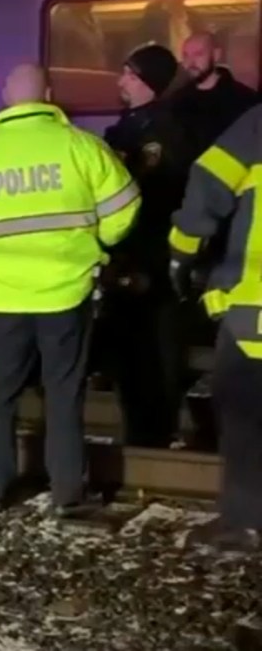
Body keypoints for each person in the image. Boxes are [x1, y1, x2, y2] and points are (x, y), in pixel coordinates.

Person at [0, 64, 140, 516]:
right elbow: (125, 209)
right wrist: (97, 242)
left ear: (8, 99)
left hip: (3, 296)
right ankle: (68, 493)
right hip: (67, 291)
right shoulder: (83, 148)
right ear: (48, 94)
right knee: (64, 392)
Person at [169, 104, 262, 553]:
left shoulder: (256, 125)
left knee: (246, 414)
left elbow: (208, 185)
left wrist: (181, 253)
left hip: (256, 303)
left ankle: (247, 522)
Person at [100, 44, 194, 448]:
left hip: (152, 251)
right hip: (128, 249)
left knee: (156, 343)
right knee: (130, 344)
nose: (121, 81)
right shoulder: (128, 126)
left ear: (146, 82)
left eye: (128, 74)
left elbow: (157, 191)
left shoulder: (165, 130)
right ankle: (141, 425)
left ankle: (154, 427)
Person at [173, 32, 258, 156]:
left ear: (216, 54)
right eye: (186, 55)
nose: (190, 62)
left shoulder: (244, 100)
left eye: (198, 54)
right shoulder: (176, 102)